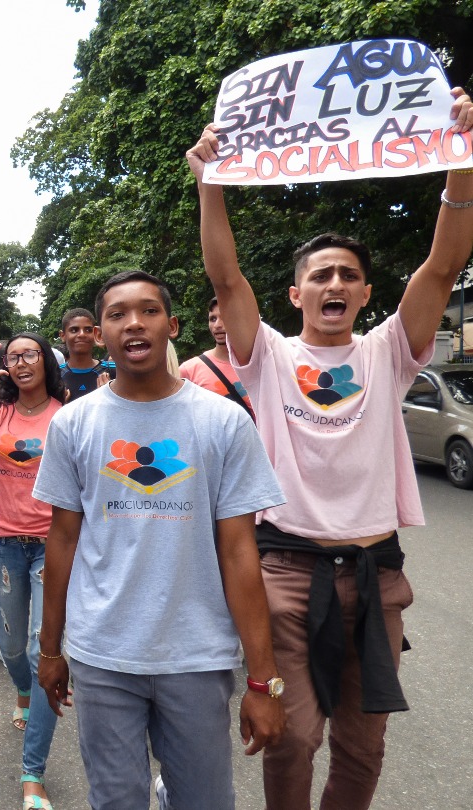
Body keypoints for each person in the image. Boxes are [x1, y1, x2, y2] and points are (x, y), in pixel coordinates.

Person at [186, 86, 473, 810]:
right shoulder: (269, 356)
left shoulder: (389, 351)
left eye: (348, 274)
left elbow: (441, 267)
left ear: (368, 290)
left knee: (363, 744)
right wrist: (210, 183)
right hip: (285, 572)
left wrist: (460, 159)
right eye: (321, 275)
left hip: (378, 577)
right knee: (293, 739)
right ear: (295, 295)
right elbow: (226, 276)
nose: (335, 282)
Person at [34, 271, 287, 810]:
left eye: (148, 310)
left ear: (171, 325)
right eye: (117, 314)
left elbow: (241, 551)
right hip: (102, 652)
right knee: (116, 800)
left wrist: (263, 679)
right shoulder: (74, 425)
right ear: (99, 333)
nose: (133, 323)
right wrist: (50, 648)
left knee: (205, 800)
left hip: (196, 654)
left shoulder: (223, 422)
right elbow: (62, 540)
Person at [0, 332, 67, 810]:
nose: (21, 362)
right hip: (3, 544)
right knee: (9, 649)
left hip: (53, 547)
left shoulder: (67, 413)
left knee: (40, 648)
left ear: (46, 360)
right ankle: (24, 690)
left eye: (30, 354)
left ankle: (33, 773)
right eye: (12, 357)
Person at [179, 297, 254, 420]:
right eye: (212, 319)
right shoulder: (189, 370)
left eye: (225, 318)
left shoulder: (257, 364)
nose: (217, 325)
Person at [57, 308, 115, 400]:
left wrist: (111, 398)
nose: (82, 334)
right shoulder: (55, 375)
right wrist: (59, 405)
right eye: (74, 330)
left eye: (88, 330)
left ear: (97, 334)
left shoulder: (115, 370)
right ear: (63, 335)